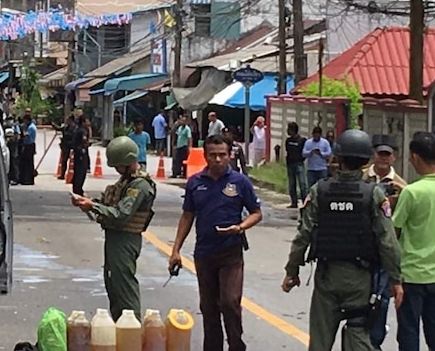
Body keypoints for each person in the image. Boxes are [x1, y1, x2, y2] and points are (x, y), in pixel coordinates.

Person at [282, 129, 402, 351]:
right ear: (366, 160)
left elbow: (303, 235)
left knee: (320, 341)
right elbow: (388, 241)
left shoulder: (320, 191)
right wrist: (396, 280)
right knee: (358, 336)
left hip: (327, 277)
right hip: (359, 280)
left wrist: (292, 271)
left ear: (337, 157)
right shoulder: (374, 194)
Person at [169, 134, 263, 351]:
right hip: (204, 254)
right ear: (205, 156)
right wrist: (176, 250)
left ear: (230, 155)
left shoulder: (240, 182)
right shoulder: (195, 183)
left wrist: (240, 227)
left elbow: (256, 213)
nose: (218, 160)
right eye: (213, 155)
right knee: (209, 308)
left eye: (222, 155)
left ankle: (236, 345)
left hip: (230, 253)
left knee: (230, 302)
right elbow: (187, 217)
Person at [69, 136, 156, 319]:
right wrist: (89, 202)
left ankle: (130, 328)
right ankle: (120, 326)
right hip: (115, 239)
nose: (116, 169)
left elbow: (122, 214)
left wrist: (92, 206)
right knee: (114, 284)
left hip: (125, 241)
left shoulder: (139, 185)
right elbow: (111, 203)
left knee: (124, 287)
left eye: (118, 165)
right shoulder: (126, 181)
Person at [393, 131, 435, 351]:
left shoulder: (412, 193)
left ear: (414, 157)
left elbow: (394, 230)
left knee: (409, 333)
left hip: (411, 274)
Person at [362, 134, 407, 350]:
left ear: (394, 157)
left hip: (385, 253)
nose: (383, 159)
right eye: (380, 153)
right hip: (360, 248)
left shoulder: (402, 188)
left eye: (387, 155)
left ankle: (375, 341)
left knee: (380, 300)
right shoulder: (361, 179)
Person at [284, 122, 308, 208]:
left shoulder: (302, 140)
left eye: (289, 129)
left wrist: (300, 159)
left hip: (299, 163)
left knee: (302, 184)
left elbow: (304, 153)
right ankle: (294, 202)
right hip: (290, 164)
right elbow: (287, 150)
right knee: (291, 184)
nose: (287, 131)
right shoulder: (288, 141)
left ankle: (305, 202)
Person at [71, 116, 90, 196]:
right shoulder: (83, 131)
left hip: (76, 152)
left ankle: (75, 188)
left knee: (76, 170)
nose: (88, 123)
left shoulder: (76, 129)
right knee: (81, 171)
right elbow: (84, 139)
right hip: (81, 153)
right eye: (87, 121)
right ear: (83, 122)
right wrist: (87, 144)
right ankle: (79, 189)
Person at [19, 114, 36, 185]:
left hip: (29, 146)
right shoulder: (29, 126)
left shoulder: (31, 127)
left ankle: (29, 180)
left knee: (29, 163)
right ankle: (25, 178)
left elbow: (26, 135)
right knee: (25, 163)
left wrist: (22, 130)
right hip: (27, 145)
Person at [57, 116, 77, 180]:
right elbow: (59, 128)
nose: (67, 121)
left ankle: (72, 176)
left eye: (68, 120)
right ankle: (62, 174)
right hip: (65, 146)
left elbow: (73, 136)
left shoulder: (75, 128)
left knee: (73, 163)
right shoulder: (66, 127)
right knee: (64, 161)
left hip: (71, 146)